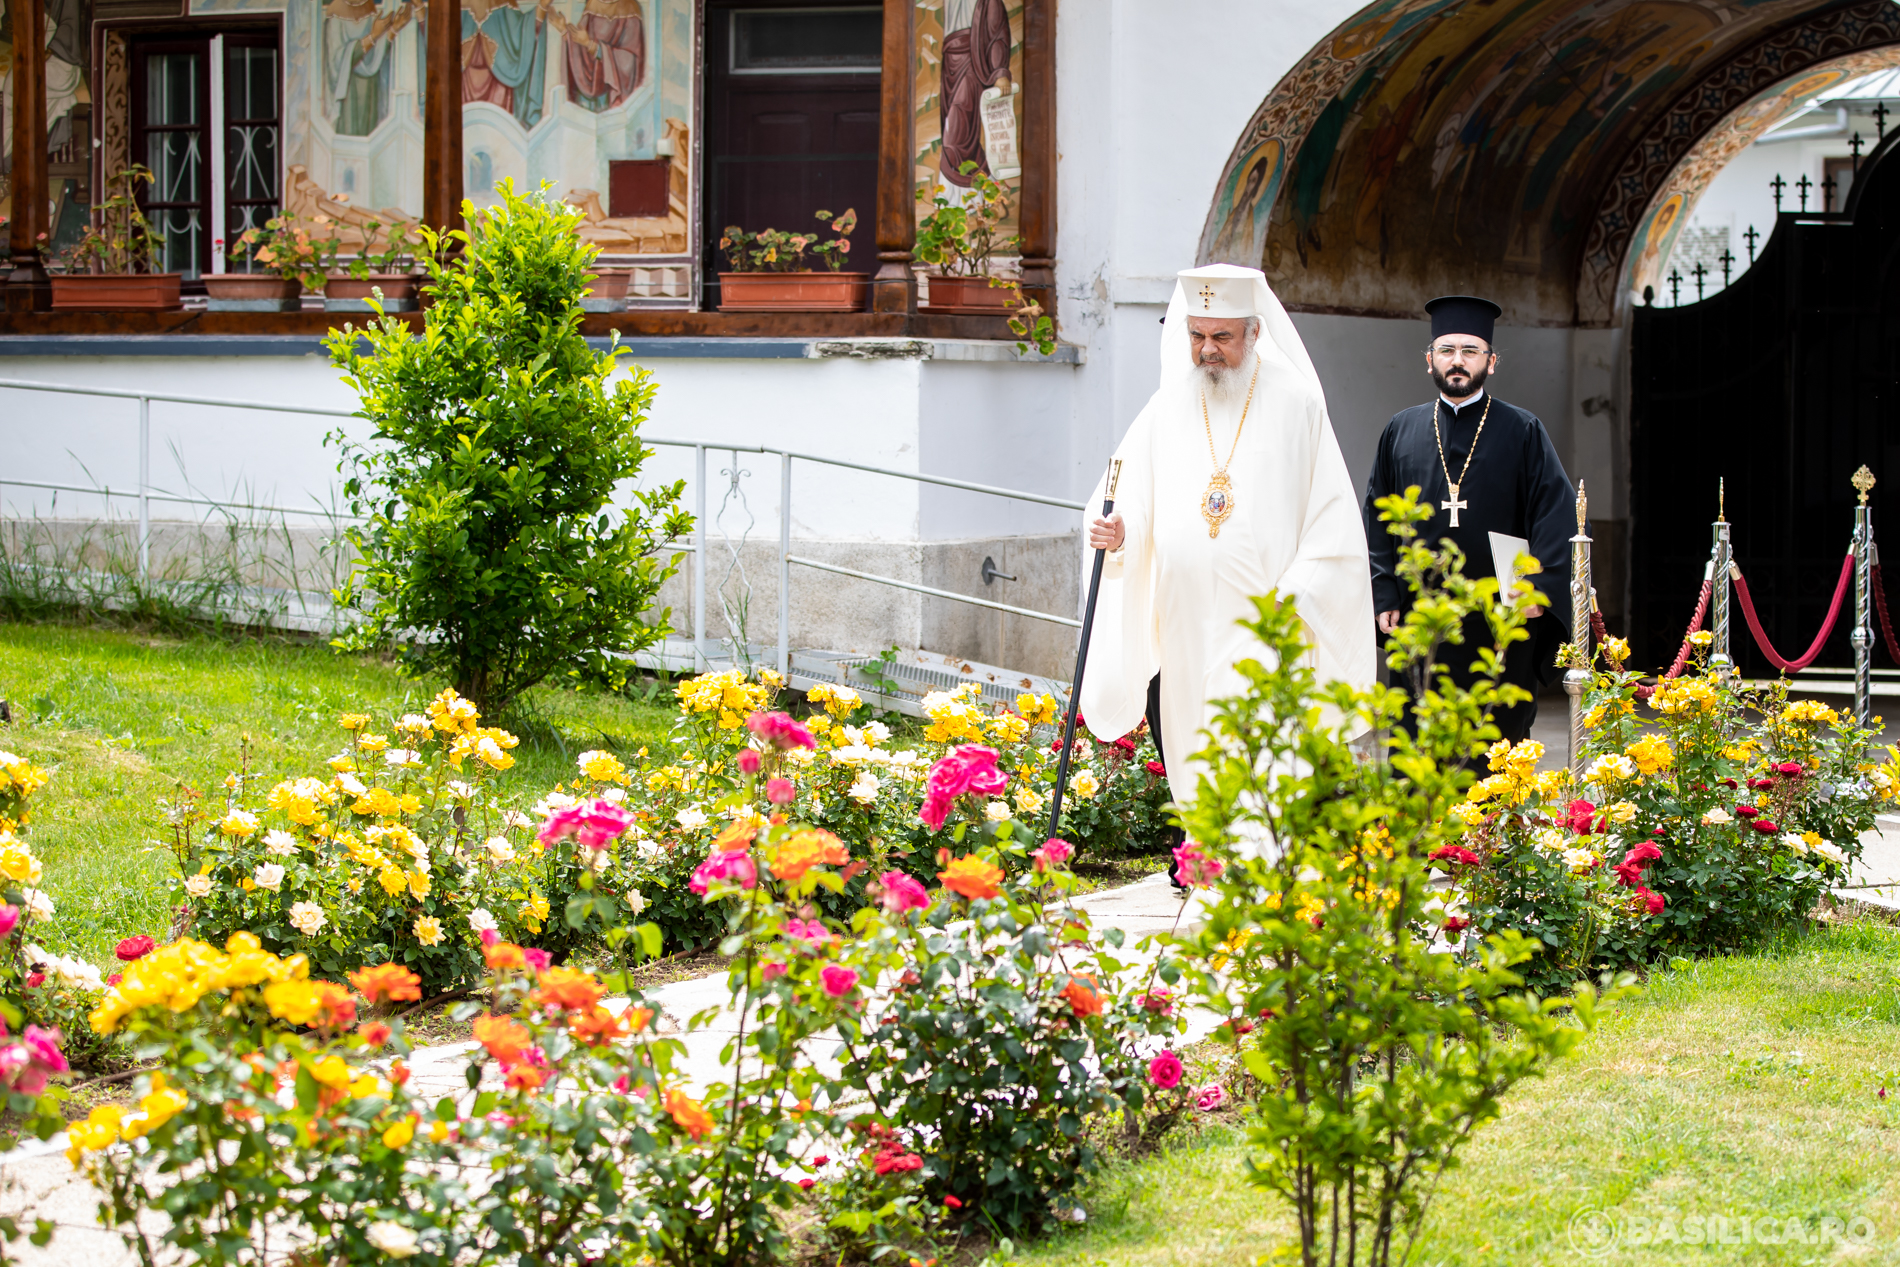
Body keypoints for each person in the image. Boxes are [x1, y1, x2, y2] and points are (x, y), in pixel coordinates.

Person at [1080, 264, 1377, 872]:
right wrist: (1120, 533)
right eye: (1196, 335)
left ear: (1254, 332)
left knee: (1262, 751)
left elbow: (1333, 522)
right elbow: (1129, 494)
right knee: (1193, 743)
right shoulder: (1168, 405)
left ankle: (1263, 875)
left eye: (1222, 337)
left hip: (1267, 620)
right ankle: (1211, 868)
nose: (1207, 350)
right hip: (1186, 621)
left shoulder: (1297, 404)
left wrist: (1294, 595)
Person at [1362, 295, 1574, 742]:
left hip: (1498, 617)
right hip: (1421, 616)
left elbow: (1557, 514)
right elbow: (1377, 515)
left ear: (1491, 362)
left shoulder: (1523, 430)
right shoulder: (1401, 430)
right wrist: (1383, 593)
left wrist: (1539, 588)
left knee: (1496, 742)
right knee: (1415, 738)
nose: (1457, 361)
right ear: (1429, 359)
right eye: (1447, 349)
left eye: (1470, 351)